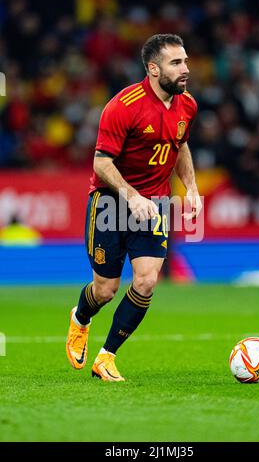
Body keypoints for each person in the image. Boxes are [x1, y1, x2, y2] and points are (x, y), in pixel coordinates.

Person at [66, 34, 201, 382]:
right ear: (153, 69)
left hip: (154, 203)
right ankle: (81, 318)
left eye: (185, 61)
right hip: (111, 201)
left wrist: (192, 189)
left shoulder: (187, 105)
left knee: (145, 282)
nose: (185, 69)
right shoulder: (123, 106)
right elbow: (100, 164)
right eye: (176, 63)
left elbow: (180, 145)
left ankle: (106, 357)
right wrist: (131, 195)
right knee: (105, 290)